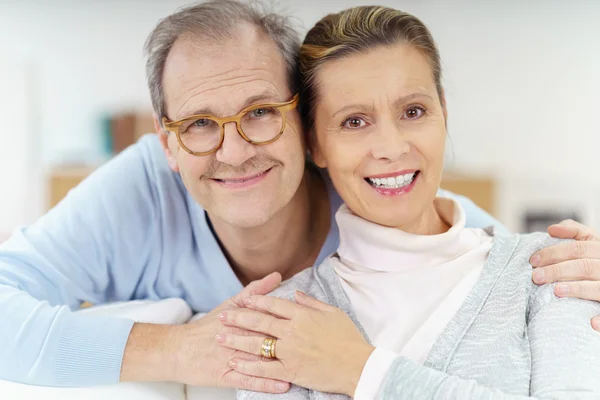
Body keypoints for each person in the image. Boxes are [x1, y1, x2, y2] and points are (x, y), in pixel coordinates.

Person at [0, 0, 599, 394]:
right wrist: (179, 351)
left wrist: (557, 268)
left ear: (303, 126)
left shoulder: (379, 198)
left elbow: (477, 256)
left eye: (260, 112)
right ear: (168, 144)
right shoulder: (138, 194)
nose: (233, 151)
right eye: (200, 124)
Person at [215, 5, 600, 399]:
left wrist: (362, 371)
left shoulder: (553, 270)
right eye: (354, 121)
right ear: (314, 143)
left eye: (413, 111)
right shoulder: (285, 319)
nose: (391, 147)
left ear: (443, 113)